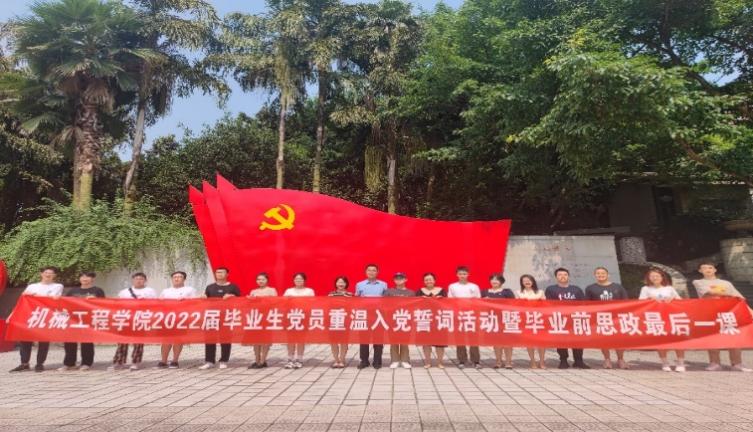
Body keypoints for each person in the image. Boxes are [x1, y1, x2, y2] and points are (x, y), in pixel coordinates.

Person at [692, 262, 752, 372]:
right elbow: (709, 292)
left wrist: (749, 310)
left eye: (710, 268)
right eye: (704, 268)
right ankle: (715, 363)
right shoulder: (698, 282)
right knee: (712, 338)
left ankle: (737, 363)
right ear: (700, 271)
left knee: (734, 337)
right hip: (710, 313)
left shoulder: (726, 283)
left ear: (715, 270)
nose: (708, 270)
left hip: (728, 313)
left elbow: (739, 298)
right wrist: (728, 295)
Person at [10, 267, 64, 373]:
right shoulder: (32, 286)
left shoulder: (58, 286)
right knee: (25, 339)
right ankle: (24, 363)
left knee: (43, 340)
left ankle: (40, 363)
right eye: (46, 272)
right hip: (30, 316)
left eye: (51, 273)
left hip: (45, 316)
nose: (48, 274)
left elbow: (52, 298)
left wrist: (34, 296)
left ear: (54, 275)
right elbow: (23, 297)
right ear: (41, 274)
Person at [639, 267, 685, 372]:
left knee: (678, 339)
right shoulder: (645, 289)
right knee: (661, 340)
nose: (655, 278)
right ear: (648, 278)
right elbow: (640, 302)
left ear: (662, 277)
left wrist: (673, 299)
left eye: (657, 276)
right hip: (655, 317)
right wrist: (650, 299)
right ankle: (664, 362)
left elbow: (680, 301)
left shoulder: (669, 288)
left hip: (671, 317)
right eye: (652, 276)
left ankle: (680, 362)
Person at [58, 272, 106, 371]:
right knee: (69, 341)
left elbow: (104, 304)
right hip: (73, 319)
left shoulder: (97, 290)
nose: (85, 278)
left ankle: (86, 363)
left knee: (86, 342)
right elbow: (65, 304)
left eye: (87, 276)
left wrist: (96, 300)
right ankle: (69, 363)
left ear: (92, 279)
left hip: (88, 319)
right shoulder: (73, 291)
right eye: (82, 276)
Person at [545, 267, 590, 369]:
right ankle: (563, 360)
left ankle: (578, 361)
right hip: (559, 318)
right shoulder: (551, 289)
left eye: (565, 275)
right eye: (560, 275)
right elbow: (549, 304)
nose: (563, 276)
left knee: (578, 339)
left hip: (575, 318)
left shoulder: (576, 289)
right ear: (556, 277)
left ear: (568, 276)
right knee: (561, 339)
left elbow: (583, 303)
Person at [585, 267, 629, 370]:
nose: (601, 275)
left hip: (616, 318)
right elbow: (587, 304)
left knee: (619, 339)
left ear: (608, 275)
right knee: (603, 339)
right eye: (598, 273)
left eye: (603, 273)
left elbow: (626, 301)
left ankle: (621, 359)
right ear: (595, 275)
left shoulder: (618, 287)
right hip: (600, 318)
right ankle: (607, 359)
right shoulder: (590, 288)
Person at [111, 272, 157, 371]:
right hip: (126, 318)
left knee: (138, 341)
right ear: (133, 280)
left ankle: (136, 362)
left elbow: (155, 304)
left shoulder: (150, 291)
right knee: (122, 341)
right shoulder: (124, 292)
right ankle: (119, 361)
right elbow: (118, 304)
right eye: (136, 279)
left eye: (141, 279)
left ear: (145, 280)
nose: (139, 280)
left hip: (141, 318)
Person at [199, 267, 241, 370]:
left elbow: (241, 300)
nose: (219, 274)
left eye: (222, 272)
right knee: (210, 338)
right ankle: (209, 361)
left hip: (226, 315)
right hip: (212, 315)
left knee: (225, 339)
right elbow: (206, 299)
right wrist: (203, 297)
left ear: (227, 274)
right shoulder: (210, 287)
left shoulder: (233, 287)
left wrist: (232, 296)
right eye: (217, 272)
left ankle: (224, 360)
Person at [159, 271, 196, 369]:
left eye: (180, 277)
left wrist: (186, 301)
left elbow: (195, 303)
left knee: (178, 340)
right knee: (165, 340)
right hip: (167, 318)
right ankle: (163, 361)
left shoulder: (189, 290)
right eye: (175, 277)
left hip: (181, 319)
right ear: (172, 279)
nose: (177, 278)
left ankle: (175, 361)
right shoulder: (166, 291)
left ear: (184, 279)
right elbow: (159, 304)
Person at [448, 265, 482, 369]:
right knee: (460, 338)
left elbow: (478, 300)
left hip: (471, 315)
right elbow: (450, 300)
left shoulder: (474, 286)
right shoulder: (452, 286)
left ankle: (475, 360)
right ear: (457, 275)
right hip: (458, 315)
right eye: (460, 274)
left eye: (464, 274)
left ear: (468, 274)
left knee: (473, 339)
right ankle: (462, 360)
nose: (462, 276)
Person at [355, 263, 387, 369]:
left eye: (374, 270)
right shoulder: (359, 284)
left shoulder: (383, 284)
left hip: (378, 315)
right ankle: (364, 361)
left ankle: (377, 361)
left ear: (377, 272)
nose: (371, 272)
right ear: (366, 272)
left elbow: (387, 300)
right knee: (364, 339)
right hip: (364, 315)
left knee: (378, 339)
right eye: (369, 270)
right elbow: (356, 299)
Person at [482, 273, 516, 369]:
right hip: (492, 319)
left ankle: (508, 361)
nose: (494, 281)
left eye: (497, 279)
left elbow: (513, 303)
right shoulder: (484, 292)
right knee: (496, 341)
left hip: (506, 318)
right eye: (492, 279)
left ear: (501, 281)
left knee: (508, 341)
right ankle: (498, 361)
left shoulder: (507, 292)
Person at [283, 272, 315, 369]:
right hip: (291, 316)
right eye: (296, 279)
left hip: (303, 317)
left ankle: (299, 359)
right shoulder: (289, 291)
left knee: (301, 339)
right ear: (293, 280)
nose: (298, 281)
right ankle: (290, 359)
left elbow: (312, 303)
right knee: (290, 339)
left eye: (300, 279)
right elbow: (283, 302)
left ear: (304, 280)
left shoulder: (309, 291)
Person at [383, 272, 414, 369]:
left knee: (405, 341)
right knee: (393, 341)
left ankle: (405, 360)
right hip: (392, 319)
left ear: (406, 279)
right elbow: (384, 304)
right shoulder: (389, 292)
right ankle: (395, 360)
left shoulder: (411, 293)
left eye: (401, 278)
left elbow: (414, 306)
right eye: (397, 278)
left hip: (406, 319)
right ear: (394, 280)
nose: (399, 280)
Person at [247, 272, 278, 369]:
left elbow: (275, 302)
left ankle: (263, 360)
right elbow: (249, 304)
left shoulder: (272, 290)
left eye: (263, 279)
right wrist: (249, 300)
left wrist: (259, 301)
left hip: (267, 317)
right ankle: (257, 360)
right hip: (256, 317)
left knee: (266, 340)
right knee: (256, 340)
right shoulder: (253, 291)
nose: (260, 281)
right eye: (258, 279)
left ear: (267, 280)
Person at [417, 273, 446, 369]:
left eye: (430, 279)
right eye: (426, 280)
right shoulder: (420, 291)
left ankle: (440, 362)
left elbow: (447, 304)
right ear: (424, 281)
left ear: (434, 280)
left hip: (439, 319)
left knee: (440, 343)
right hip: (425, 318)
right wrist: (420, 300)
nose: (428, 281)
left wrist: (442, 300)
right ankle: (427, 362)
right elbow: (415, 304)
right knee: (426, 342)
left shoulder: (441, 290)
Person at [518, 275, 547, 369]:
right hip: (526, 320)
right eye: (524, 281)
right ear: (522, 283)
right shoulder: (519, 293)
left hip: (539, 319)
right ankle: (533, 361)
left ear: (533, 281)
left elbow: (545, 305)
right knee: (529, 341)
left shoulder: (540, 292)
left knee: (541, 342)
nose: (527, 282)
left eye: (529, 280)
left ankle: (542, 361)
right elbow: (517, 306)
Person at [328, 276, 352, 368]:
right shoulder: (331, 294)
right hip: (333, 320)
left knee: (343, 341)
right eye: (339, 282)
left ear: (346, 284)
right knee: (333, 341)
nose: (340, 284)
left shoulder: (350, 294)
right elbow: (327, 305)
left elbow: (352, 306)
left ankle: (342, 359)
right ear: (336, 283)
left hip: (345, 320)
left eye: (343, 282)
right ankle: (336, 360)